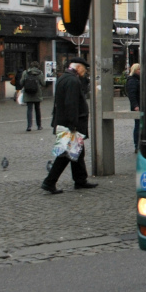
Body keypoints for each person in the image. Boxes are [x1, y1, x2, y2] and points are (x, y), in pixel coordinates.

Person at [41, 58, 98, 194]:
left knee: (77, 152)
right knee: (66, 154)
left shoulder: (63, 78)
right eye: (84, 70)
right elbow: (71, 103)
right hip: (71, 124)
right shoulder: (73, 81)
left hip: (64, 122)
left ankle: (80, 180)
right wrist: (73, 124)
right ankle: (50, 182)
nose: (85, 73)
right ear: (78, 68)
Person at [17, 63, 44, 131]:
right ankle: (39, 125)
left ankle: (29, 126)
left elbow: (21, 82)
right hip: (37, 93)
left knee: (29, 109)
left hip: (28, 93)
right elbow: (43, 83)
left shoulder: (25, 73)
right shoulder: (40, 73)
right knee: (37, 109)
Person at [126, 63, 141, 148]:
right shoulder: (132, 80)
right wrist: (135, 105)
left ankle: (138, 144)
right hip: (137, 106)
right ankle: (137, 144)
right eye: (139, 69)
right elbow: (132, 94)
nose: (141, 71)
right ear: (135, 70)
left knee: (140, 125)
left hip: (139, 105)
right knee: (138, 125)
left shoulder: (138, 79)